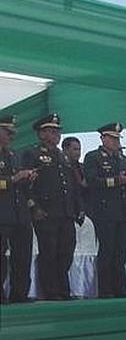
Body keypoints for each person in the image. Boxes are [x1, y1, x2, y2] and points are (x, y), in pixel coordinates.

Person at [21, 113, 83, 300]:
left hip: (65, 212)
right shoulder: (31, 153)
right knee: (49, 252)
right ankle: (50, 291)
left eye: (57, 131)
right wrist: (34, 207)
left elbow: (72, 184)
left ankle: (63, 290)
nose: (56, 135)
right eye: (51, 131)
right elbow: (26, 185)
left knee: (66, 251)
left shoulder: (62, 156)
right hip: (46, 212)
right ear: (41, 134)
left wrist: (78, 207)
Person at [84, 122, 126, 298]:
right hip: (104, 211)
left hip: (123, 211)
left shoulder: (124, 159)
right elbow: (92, 182)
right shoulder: (93, 157)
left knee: (120, 253)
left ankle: (120, 288)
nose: (116, 142)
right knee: (107, 251)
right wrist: (117, 180)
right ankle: (106, 290)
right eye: (113, 138)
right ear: (103, 139)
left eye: (118, 139)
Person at [0, 115, 35, 303]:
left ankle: (20, 294)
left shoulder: (14, 155)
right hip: (2, 213)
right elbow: (9, 181)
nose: (11, 136)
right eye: (8, 132)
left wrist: (27, 179)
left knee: (22, 256)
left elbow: (17, 184)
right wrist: (13, 179)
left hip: (19, 213)